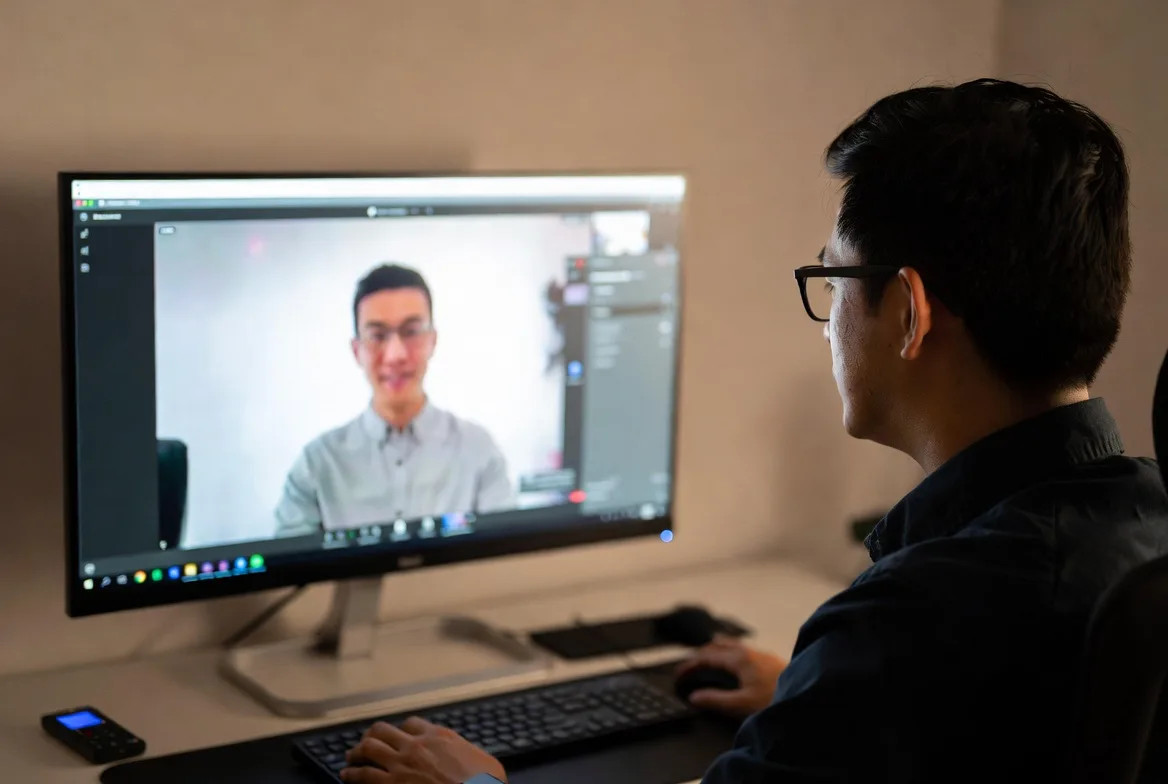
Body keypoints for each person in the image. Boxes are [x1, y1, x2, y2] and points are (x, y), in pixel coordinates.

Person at [335, 79, 1168, 784]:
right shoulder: (1143, 525)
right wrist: (816, 700)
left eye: (833, 275)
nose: (827, 317)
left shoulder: (917, 622)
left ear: (908, 313)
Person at [275, 264, 514, 537]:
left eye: (411, 331)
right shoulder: (315, 465)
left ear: (432, 340)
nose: (395, 355)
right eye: (377, 336)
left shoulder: (479, 452)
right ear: (357, 350)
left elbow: (504, 561)